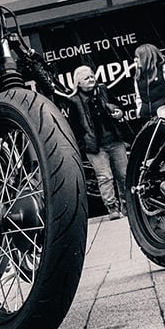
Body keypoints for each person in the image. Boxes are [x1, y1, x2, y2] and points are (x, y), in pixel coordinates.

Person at [67, 65, 129, 219]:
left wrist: (119, 113)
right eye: (86, 78)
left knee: (124, 175)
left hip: (115, 140)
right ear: (78, 83)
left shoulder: (103, 90)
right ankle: (112, 209)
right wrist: (83, 143)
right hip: (95, 147)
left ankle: (128, 206)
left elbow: (120, 107)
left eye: (92, 76)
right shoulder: (74, 101)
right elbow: (74, 127)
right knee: (105, 177)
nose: (91, 79)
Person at [133, 43, 165, 120]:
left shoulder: (164, 69)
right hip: (147, 118)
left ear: (146, 58)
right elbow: (138, 97)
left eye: (138, 57)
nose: (135, 60)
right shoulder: (138, 75)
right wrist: (140, 110)